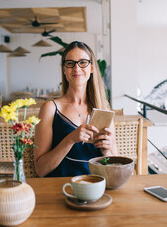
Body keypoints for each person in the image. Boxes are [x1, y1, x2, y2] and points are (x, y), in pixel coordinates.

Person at [34, 41, 117, 177]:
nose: (77, 68)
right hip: (61, 188)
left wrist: (107, 153)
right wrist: (70, 139)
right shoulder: (50, 108)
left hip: (96, 187)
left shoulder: (103, 109)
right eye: (70, 63)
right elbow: (41, 170)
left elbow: (115, 168)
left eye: (83, 62)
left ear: (91, 68)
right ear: (64, 69)